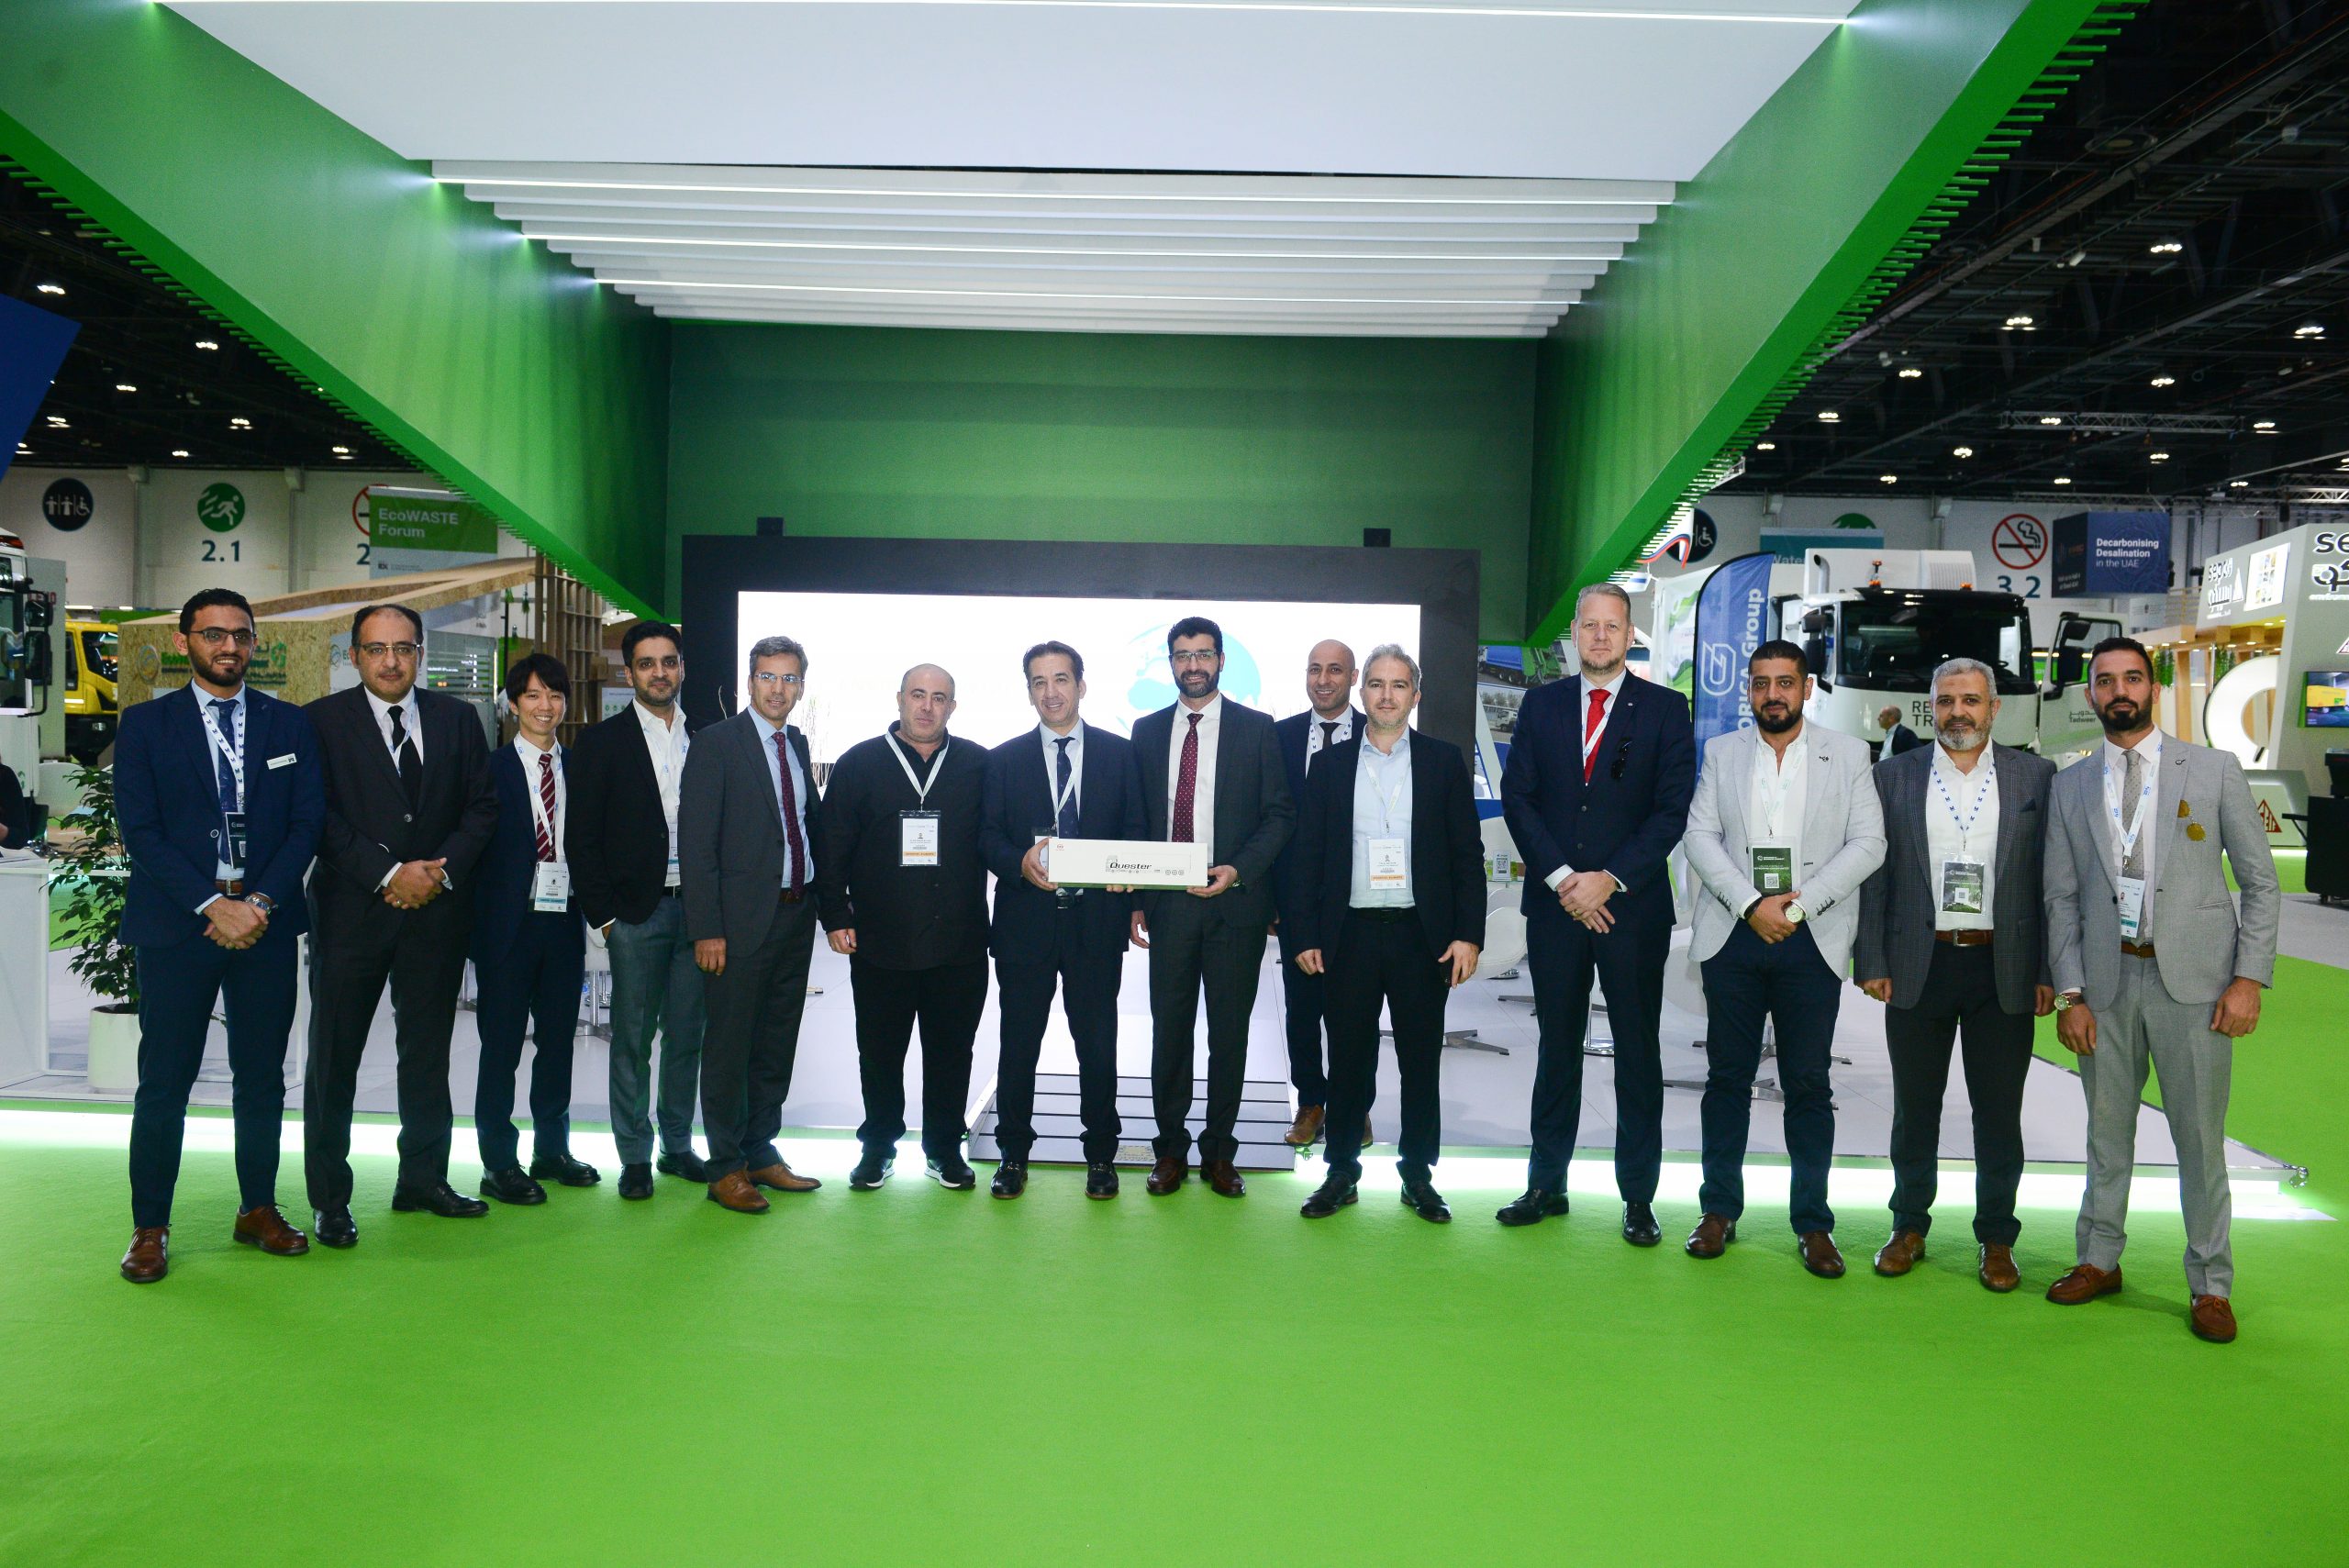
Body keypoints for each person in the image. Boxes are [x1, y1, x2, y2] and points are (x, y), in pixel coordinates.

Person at [2043, 637, 2279, 1344]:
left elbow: (2260, 882)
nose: (2119, 690)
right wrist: (2070, 994)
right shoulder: (2070, 784)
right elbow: (2060, 897)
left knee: (2200, 1139)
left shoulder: (2212, 769)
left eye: (2132, 678)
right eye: (2105, 680)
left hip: (2197, 986)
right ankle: (2098, 1257)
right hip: (2105, 983)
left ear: (2153, 688)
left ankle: (2211, 1283)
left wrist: (2248, 978)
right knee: (2105, 1132)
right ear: (2091, 693)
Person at [114, 588, 323, 1282]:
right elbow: (141, 830)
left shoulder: (289, 724)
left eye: (240, 634)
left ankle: (257, 1208)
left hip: (264, 926)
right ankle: (150, 1225)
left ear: (255, 643)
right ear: (184, 642)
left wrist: (256, 902)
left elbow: (306, 824)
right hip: (178, 926)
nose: (228, 646)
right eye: (213, 634)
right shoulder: (145, 725)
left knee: (262, 1077)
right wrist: (212, 904)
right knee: (164, 1081)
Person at [1497, 583, 1695, 1240]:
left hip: (1632, 908)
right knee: (1557, 1046)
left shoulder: (1665, 709)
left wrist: (1608, 880)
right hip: (1556, 906)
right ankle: (1545, 1184)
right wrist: (1564, 881)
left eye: (1613, 626)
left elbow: (1671, 808)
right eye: (1590, 625)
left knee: (1638, 1050)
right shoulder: (1542, 705)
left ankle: (1638, 1198)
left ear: (1630, 634)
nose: (1601, 636)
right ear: (1575, 633)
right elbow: (1519, 798)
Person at [1679, 641, 1884, 1276]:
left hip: (1811, 936)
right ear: (1749, 689)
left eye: (1785, 682)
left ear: (1807, 687)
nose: (1773, 694)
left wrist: (1799, 907)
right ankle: (1718, 1211)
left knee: (1808, 1084)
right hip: (1734, 934)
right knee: (1726, 1080)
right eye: (1762, 683)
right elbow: (1699, 835)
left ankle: (1814, 1224)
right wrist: (1750, 904)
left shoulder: (1848, 754)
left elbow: (1869, 842)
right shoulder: (1722, 752)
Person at [1855, 657, 2056, 1292]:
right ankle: (1908, 1226)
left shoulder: (2036, 776)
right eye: (1946, 701)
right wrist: (1872, 959)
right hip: (1920, 964)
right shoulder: (1893, 776)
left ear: (1994, 708)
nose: (1957, 712)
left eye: (1970, 700)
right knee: (1915, 1109)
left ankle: (1997, 1238)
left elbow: (2053, 882)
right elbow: (1875, 875)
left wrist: (2049, 969)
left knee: (1999, 1112)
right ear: (1932, 708)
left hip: (2005, 967)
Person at [303, 605, 498, 1245]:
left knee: (427, 1055)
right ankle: (330, 1199)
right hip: (351, 915)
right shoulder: (320, 722)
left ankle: (423, 1178)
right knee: (334, 1060)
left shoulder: (458, 719)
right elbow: (317, 816)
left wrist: (438, 873)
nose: (391, 661)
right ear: (354, 656)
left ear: (421, 653)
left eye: (404, 648)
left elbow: (481, 808)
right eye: (376, 649)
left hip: (436, 915)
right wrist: (388, 874)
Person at [1289, 646, 1484, 1223]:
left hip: (1421, 937)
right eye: (1376, 684)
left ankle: (1418, 1176)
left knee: (1420, 1062)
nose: (1387, 695)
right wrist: (1303, 933)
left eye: (1399, 685)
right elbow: (1307, 857)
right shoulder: (1329, 765)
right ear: (1362, 691)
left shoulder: (1443, 762)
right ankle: (1340, 1172)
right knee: (1348, 1061)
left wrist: (1468, 934)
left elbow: (1466, 855)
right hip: (1347, 934)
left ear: (1415, 695)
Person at [1130, 616, 1294, 1198]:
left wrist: (1238, 870)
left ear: (1221, 660)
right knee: (1170, 1033)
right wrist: (1139, 896)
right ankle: (1170, 1150)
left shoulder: (1257, 729)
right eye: (1182, 656)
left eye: (1203, 654)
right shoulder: (1147, 731)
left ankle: (1220, 1152)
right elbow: (1138, 819)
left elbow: (1280, 815)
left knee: (1229, 1036)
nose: (1193, 665)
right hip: (1169, 907)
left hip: (1236, 906)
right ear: (1171, 664)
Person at [978, 641, 1145, 1199]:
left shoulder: (1120, 755)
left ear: (1081, 685)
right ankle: (1012, 1155)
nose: (1051, 692)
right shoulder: (1003, 760)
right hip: (1025, 925)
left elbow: (1137, 831)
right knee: (1018, 1045)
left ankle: (1101, 1155)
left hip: (1096, 924)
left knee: (1097, 1046)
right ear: (1029, 691)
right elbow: (987, 836)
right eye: (1039, 682)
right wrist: (1018, 862)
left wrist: (1130, 877)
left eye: (1061, 679)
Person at [818, 663, 992, 1192]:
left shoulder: (979, 765)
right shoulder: (858, 763)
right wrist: (835, 916)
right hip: (879, 940)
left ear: (952, 707)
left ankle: (944, 1149)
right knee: (879, 1054)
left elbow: (1001, 841)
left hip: (959, 942)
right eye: (918, 695)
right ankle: (878, 1148)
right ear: (899, 699)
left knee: (951, 1053)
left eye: (939, 698)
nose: (926, 706)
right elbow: (831, 847)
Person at [681, 634, 826, 1214]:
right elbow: (697, 845)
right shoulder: (716, 744)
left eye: (789, 679)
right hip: (736, 927)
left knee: (774, 1044)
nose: (778, 689)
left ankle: (760, 1150)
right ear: (749, 682)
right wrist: (706, 928)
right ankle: (725, 1167)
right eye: (768, 677)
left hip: (794, 915)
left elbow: (804, 827)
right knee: (729, 1049)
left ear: (801, 687)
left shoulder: (798, 744)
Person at [567, 620, 707, 1201]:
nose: (659, 673)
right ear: (629, 674)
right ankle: (633, 1156)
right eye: (647, 664)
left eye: (669, 661)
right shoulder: (601, 743)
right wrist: (603, 917)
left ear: (682, 668)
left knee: (687, 1037)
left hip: (698, 912)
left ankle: (677, 1145)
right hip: (634, 915)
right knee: (631, 1040)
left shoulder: (706, 737)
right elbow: (582, 838)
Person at [469, 653, 598, 1206]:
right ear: (513, 703)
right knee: (500, 1047)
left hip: (563, 920)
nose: (545, 706)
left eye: (555, 695)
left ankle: (552, 1149)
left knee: (558, 1042)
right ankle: (498, 1162)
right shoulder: (489, 769)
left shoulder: (582, 767)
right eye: (533, 695)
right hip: (506, 925)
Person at [1270, 639, 1364, 1149]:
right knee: (1302, 1010)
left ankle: (1355, 1105)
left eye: (1335, 670)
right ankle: (1311, 1101)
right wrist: (1270, 899)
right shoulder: (1278, 737)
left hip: (1360, 901)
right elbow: (1266, 819)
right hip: (1296, 901)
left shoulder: (1377, 735)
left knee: (1355, 1011)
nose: (1323, 680)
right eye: (1314, 670)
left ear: (1353, 678)